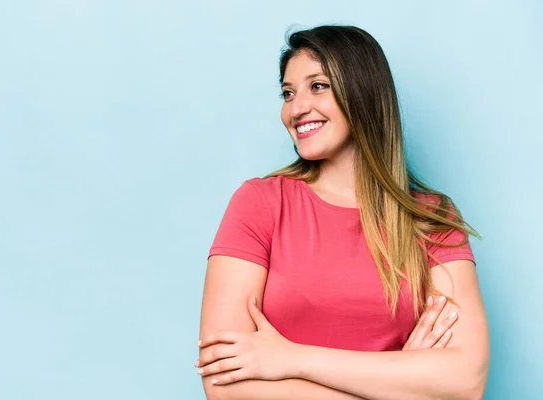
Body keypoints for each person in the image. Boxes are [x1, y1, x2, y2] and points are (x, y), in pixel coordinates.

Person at [196, 25, 490, 400]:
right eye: (288, 93)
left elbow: (465, 382)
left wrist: (290, 359)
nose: (296, 108)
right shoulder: (259, 202)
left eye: (318, 86)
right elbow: (224, 383)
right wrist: (400, 384)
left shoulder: (430, 219)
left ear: (363, 92)